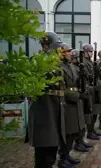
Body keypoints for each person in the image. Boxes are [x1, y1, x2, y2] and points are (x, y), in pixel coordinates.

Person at [26, 32, 65, 168]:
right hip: (43, 113)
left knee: (51, 150)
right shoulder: (37, 62)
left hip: (53, 111)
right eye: (57, 47)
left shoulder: (54, 63)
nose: (59, 50)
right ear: (48, 46)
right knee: (43, 153)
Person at [57, 43, 85, 167]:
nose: (70, 53)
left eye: (70, 51)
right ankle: (62, 159)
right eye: (67, 51)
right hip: (68, 103)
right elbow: (61, 89)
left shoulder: (71, 66)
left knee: (74, 131)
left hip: (74, 103)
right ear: (61, 53)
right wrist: (77, 94)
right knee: (68, 133)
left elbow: (76, 81)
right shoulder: (59, 67)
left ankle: (67, 155)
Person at [70, 49, 94, 153]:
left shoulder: (80, 67)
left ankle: (81, 140)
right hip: (77, 96)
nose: (78, 60)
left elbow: (87, 79)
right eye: (75, 58)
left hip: (83, 94)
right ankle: (78, 142)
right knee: (80, 120)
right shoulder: (72, 68)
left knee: (84, 118)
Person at [82, 43, 101, 140]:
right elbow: (88, 76)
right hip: (89, 90)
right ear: (86, 52)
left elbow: (95, 75)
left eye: (92, 51)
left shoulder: (90, 62)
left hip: (93, 89)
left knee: (95, 111)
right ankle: (89, 132)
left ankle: (91, 130)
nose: (91, 53)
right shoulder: (83, 62)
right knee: (90, 112)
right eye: (90, 51)